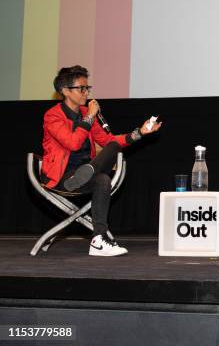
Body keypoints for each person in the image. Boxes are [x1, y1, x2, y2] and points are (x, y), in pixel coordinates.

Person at [41, 65, 162, 256]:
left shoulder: (85, 114)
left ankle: (97, 240)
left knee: (108, 162)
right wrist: (90, 116)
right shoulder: (52, 116)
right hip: (63, 178)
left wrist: (140, 132)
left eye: (87, 88)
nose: (85, 92)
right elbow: (72, 143)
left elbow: (109, 141)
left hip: (82, 176)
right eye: (81, 88)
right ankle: (86, 172)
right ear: (65, 91)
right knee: (102, 177)